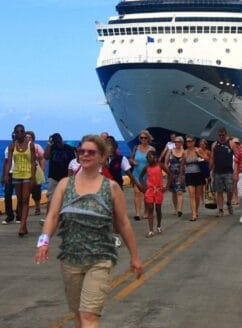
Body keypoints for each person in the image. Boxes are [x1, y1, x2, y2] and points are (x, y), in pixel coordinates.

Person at [35, 135, 142, 328]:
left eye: (91, 152)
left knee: (89, 315)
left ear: (102, 157)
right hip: (71, 259)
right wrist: (43, 242)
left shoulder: (111, 188)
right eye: (81, 151)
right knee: (78, 316)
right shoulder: (64, 185)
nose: (85, 155)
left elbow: (124, 223)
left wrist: (135, 257)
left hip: (100, 259)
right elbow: (52, 216)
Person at [4, 124, 36, 236]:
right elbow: (8, 161)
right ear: (14, 133)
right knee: (20, 200)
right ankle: (24, 225)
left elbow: (33, 162)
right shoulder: (11, 146)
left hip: (27, 175)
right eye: (17, 132)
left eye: (22, 131)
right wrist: (6, 175)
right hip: (16, 174)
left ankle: (22, 226)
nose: (20, 133)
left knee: (25, 199)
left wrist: (33, 176)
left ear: (24, 132)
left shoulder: (30, 145)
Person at [43, 133, 76, 224]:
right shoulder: (52, 148)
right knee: (51, 198)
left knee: (65, 198)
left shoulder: (68, 149)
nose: (57, 142)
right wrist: (49, 144)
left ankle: (64, 217)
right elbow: (46, 157)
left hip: (65, 177)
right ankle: (48, 218)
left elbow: (73, 163)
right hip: (53, 177)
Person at [139, 151, 171, 237]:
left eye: (151, 157)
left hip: (159, 190)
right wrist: (144, 186)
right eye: (148, 157)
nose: (149, 159)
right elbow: (141, 177)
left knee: (158, 209)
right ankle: (150, 230)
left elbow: (170, 175)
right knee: (150, 208)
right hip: (149, 190)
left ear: (155, 157)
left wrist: (166, 186)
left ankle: (159, 225)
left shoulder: (160, 165)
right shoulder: (146, 167)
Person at [128, 130, 155, 220]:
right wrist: (133, 162)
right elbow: (130, 158)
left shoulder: (151, 149)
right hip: (136, 174)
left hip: (147, 175)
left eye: (145, 138)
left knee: (146, 195)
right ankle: (137, 213)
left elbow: (154, 162)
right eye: (141, 138)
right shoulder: (136, 148)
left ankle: (146, 212)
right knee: (137, 192)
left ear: (148, 138)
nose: (143, 139)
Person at [210, 127, 234, 216]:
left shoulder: (230, 143)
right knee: (219, 191)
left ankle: (229, 202)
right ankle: (220, 209)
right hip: (217, 171)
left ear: (226, 134)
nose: (221, 136)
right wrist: (211, 169)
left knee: (230, 189)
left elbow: (237, 155)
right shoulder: (214, 144)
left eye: (223, 135)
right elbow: (212, 157)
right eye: (219, 135)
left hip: (228, 171)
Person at [180, 135, 203, 221]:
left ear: (193, 142)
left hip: (198, 174)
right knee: (191, 195)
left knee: (197, 196)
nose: (188, 143)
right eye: (187, 141)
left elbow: (206, 159)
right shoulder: (184, 152)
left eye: (190, 141)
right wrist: (181, 176)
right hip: (189, 174)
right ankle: (193, 213)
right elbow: (182, 165)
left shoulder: (198, 150)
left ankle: (196, 210)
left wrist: (199, 154)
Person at [0, 132, 20, 224]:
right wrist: (4, 175)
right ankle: (9, 215)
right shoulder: (8, 148)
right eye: (13, 137)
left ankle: (19, 215)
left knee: (20, 196)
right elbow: (6, 161)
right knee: (7, 195)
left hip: (20, 174)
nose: (14, 138)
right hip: (10, 174)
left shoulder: (23, 148)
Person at [26, 131, 46, 216]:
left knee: (36, 191)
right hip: (25, 171)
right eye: (26, 137)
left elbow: (42, 158)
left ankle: (37, 207)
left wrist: (42, 170)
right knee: (25, 191)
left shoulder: (37, 147)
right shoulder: (21, 147)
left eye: (29, 137)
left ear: (33, 138)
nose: (27, 139)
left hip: (36, 170)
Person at [164, 136, 186, 216]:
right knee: (174, 192)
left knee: (179, 192)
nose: (176, 143)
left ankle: (180, 210)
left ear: (182, 143)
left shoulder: (184, 152)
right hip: (171, 174)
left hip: (180, 174)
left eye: (178, 142)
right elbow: (165, 163)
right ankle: (176, 208)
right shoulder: (170, 151)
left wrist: (183, 174)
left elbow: (186, 164)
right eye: (175, 142)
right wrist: (169, 173)